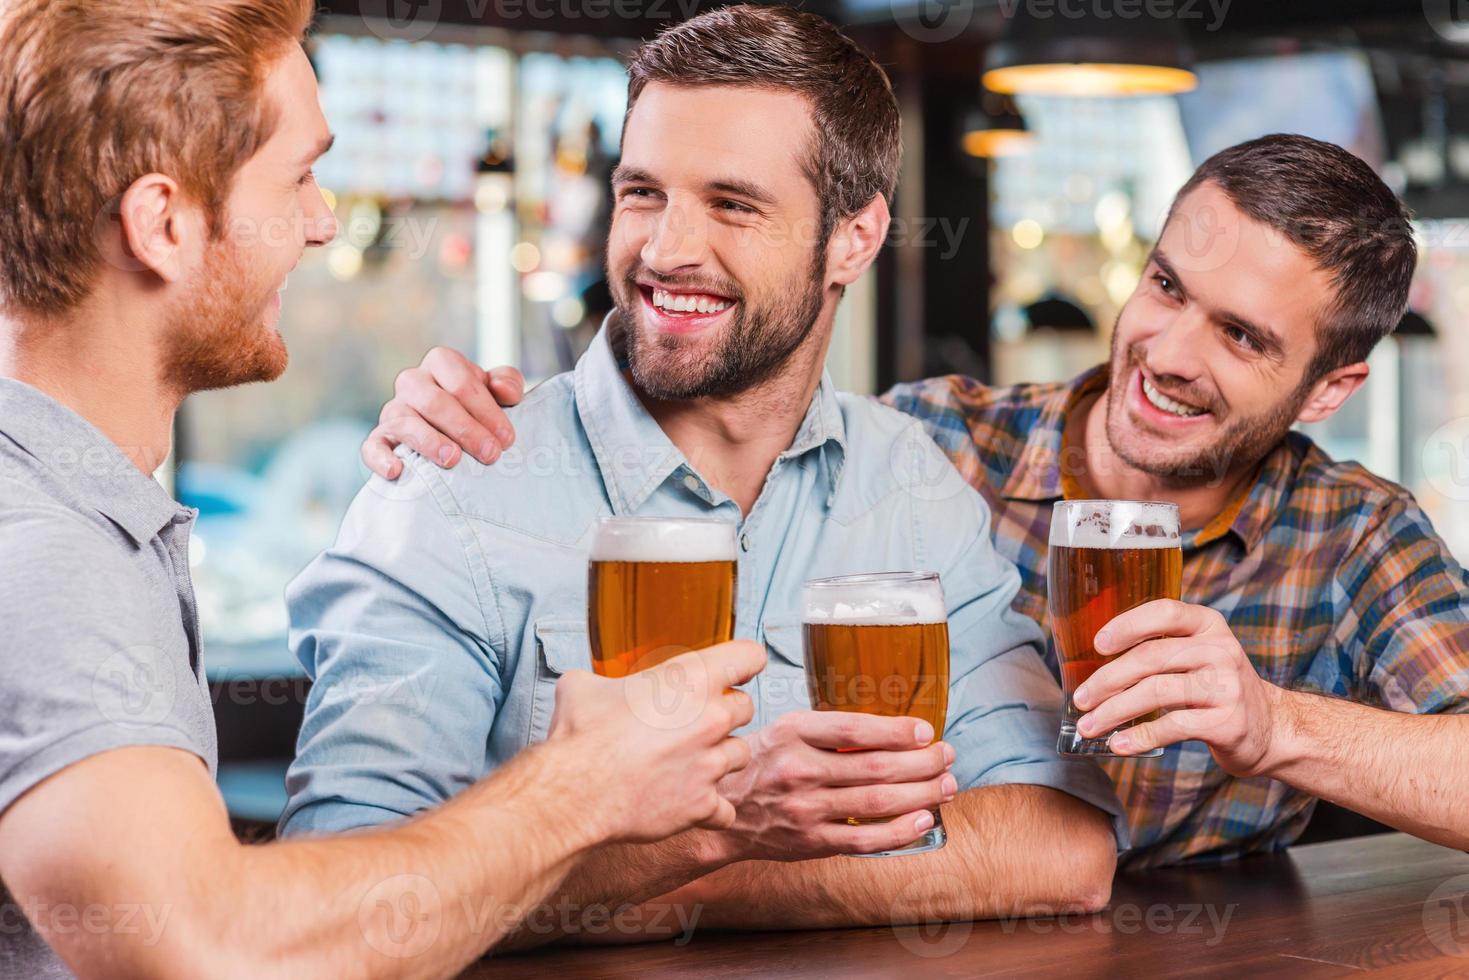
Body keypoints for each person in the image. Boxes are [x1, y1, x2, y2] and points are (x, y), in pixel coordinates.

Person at [381, 132, 1469, 869]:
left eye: (1240, 335)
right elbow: (693, 468)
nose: (1167, 350)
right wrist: (484, 429)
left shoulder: (1351, 533)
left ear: (1330, 388)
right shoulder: (934, 439)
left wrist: (1273, 725)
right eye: (1166, 285)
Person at [285, 3, 1125, 947]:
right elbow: (344, 904)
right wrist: (731, 840)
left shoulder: (907, 482)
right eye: (642, 192)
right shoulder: (452, 481)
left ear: (854, 236)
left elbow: (1058, 847)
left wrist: (697, 864)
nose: (664, 250)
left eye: (732, 203)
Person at [0, 3, 765, 976]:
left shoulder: (85, 514)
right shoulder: (45, 546)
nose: (322, 223)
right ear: (160, 224)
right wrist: (578, 787)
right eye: (301, 176)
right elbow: (210, 943)